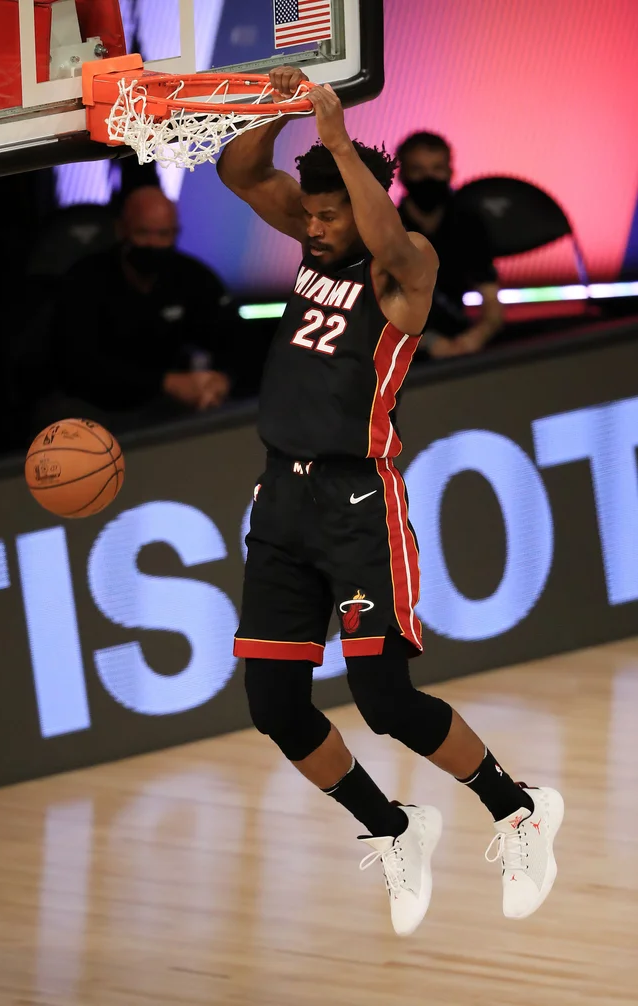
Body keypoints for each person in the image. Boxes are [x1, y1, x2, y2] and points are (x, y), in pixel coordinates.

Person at [218, 66, 563, 937]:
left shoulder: (404, 269)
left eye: (332, 211)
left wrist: (337, 138)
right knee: (275, 708)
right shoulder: (315, 236)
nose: (316, 223)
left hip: (356, 504)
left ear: (364, 203)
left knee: (386, 701)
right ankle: (393, 828)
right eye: (315, 210)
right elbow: (240, 175)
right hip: (282, 504)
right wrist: (280, 109)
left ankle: (519, 809)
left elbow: (382, 232)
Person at [43, 186, 232, 431]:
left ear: (176, 234)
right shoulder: (85, 279)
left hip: (172, 407)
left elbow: (233, 340)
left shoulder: (194, 277)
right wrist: (164, 382)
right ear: (121, 230)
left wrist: (222, 380)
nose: (153, 244)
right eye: (143, 233)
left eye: (163, 234)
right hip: (97, 406)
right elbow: (77, 365)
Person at [396, 131, 504, 360]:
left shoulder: (468, 224)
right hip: (401, 352)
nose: (429, 178)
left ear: (450, 172)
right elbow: (374, 313)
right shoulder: (385, 229)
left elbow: (491, 302)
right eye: (418, 170)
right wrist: (427, 342)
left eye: (437, 169)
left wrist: (478, 336)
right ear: (402, 175)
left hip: (460, 344)